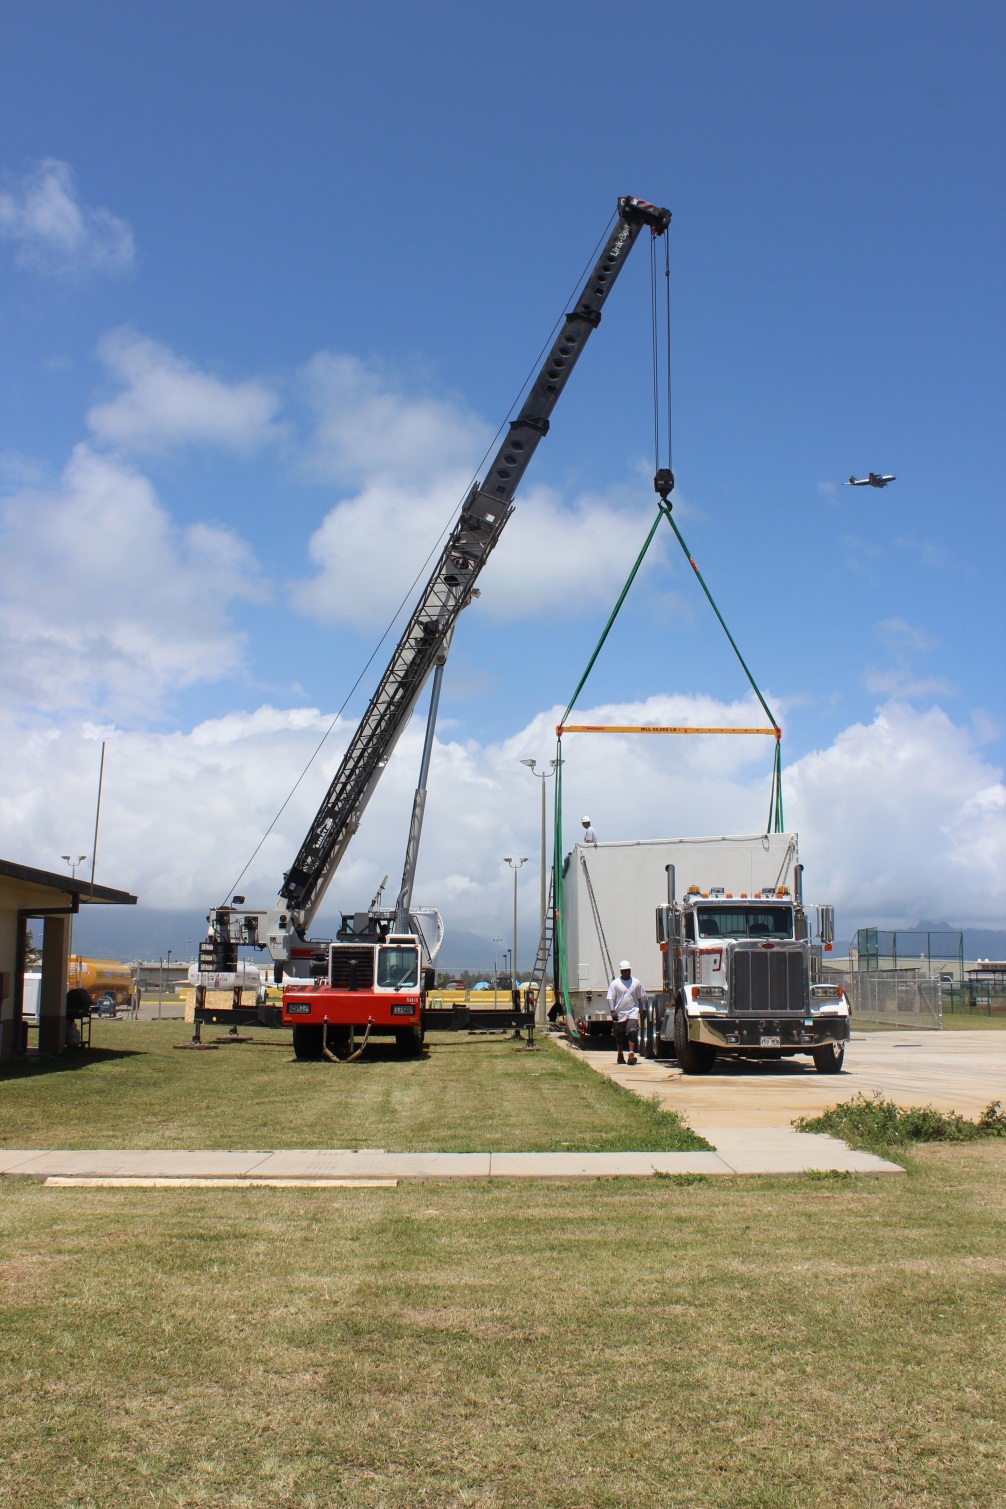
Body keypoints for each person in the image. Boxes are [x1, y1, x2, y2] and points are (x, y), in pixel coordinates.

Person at [607, 960, 645, 1065]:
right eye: (624, 971)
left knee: (633, 1031)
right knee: (620, 1036)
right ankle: (620, 1054)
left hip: (633, 1011)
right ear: (621, 972)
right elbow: (610, 998)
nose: (627, 973)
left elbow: (640, 997)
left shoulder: (636, 982)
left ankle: (631, 1054)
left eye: (628, 971)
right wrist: (612, 1010)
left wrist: (643, 1009)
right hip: (620, 1013)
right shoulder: (615, 983)